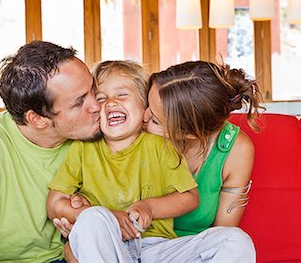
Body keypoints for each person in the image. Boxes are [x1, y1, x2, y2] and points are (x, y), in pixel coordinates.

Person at [59, 60, 261, 262]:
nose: (144, 117)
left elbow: (220, 235)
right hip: (117, 249)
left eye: (155, 120)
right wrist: (81, 221)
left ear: (189, 134)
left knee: (236, 241)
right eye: (147, 103)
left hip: (173, 252)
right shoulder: (116, 135)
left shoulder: (235, 150)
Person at [0, 41, 101, 262]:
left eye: (93, 89)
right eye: (79, 102)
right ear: (38, 119)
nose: (97, 105)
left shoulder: (97, 130)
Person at [46, 60, 199, 262]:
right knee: (91, 219)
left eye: (122, 95)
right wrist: (107, 217)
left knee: (233, 240)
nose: (110, 102)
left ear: (145, 105)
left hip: (156, 247)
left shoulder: (161, 146)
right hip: (106, 247)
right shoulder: (82, 148)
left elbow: (189, 197)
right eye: (100, 98)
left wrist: (149, 208)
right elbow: (55, 204)